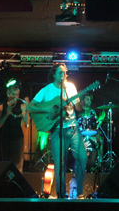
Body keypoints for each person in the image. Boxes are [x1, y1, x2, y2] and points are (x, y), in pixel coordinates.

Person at [27, 63, 87, 198]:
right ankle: (61, 194)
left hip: (73, 129)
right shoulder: (47, 90)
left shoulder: (70, 87)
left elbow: (77, 108)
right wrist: (47, 109)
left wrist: (80, 103)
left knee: (83, 158)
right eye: (61, 72)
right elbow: (30, 107)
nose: (64, 75)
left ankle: (80, 193)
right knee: (60, 164)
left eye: (65, 72)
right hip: (57, 131)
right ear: (54, 74)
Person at [0, 82, 28, 173]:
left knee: (18, 164)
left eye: (17, 95)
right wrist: (7, 114)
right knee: (6, 164)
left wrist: (26, 112)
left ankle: (17, 185)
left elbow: (26, 124)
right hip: (5, 138)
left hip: (18, 138)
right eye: (13, 95)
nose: (16, 97)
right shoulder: (1, 107)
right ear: (8, 94)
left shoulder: (21, 106)